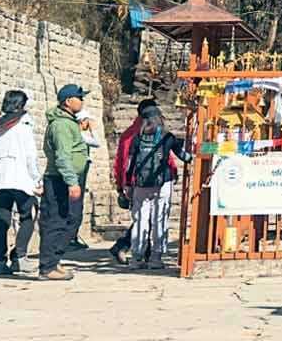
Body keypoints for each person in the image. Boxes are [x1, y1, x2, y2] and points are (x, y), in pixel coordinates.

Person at [125, 106, 191, 270]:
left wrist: (127, 184)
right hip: (163, 183)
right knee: (159, 220)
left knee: (140, 220)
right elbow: (184, 157)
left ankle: (136, 257)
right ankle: (156, 258)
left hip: (140, 185)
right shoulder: (167, 138)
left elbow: (130, 164)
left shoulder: (137, 138)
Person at [0, 92, 41, 276]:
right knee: (28, 216)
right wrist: (37, 180)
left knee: (2, 220)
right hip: (21, 180)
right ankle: (19, 258)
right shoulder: (23, 127)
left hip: (0, 182)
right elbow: (30, 157)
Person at [38, 84, 90, 280]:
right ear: (68, 101)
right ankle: (47, 266)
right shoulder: (61, 125)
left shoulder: (68, 122)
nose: (82, 101)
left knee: (70, 219)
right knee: (57, 221)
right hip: (60, 179)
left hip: (66, 178)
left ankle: (53, 260)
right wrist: (72, 182)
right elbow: (62, 156)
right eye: (79, 98)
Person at [111, 98, 166, 265]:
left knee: (143, 218)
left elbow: (120, 162)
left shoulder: (129, 133)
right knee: (148, 219)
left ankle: (139, 252)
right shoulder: (149, 133)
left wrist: (122, 184)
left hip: (133, 182)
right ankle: (126, 247)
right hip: (144, 181)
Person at [69, 109, 102, 251]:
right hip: (78, 172)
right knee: (75, 205)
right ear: (82, 122)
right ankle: (70, 237)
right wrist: (93, 129)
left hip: (78, 171)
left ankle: (72, 236)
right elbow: (97, 142)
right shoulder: (79, 135)